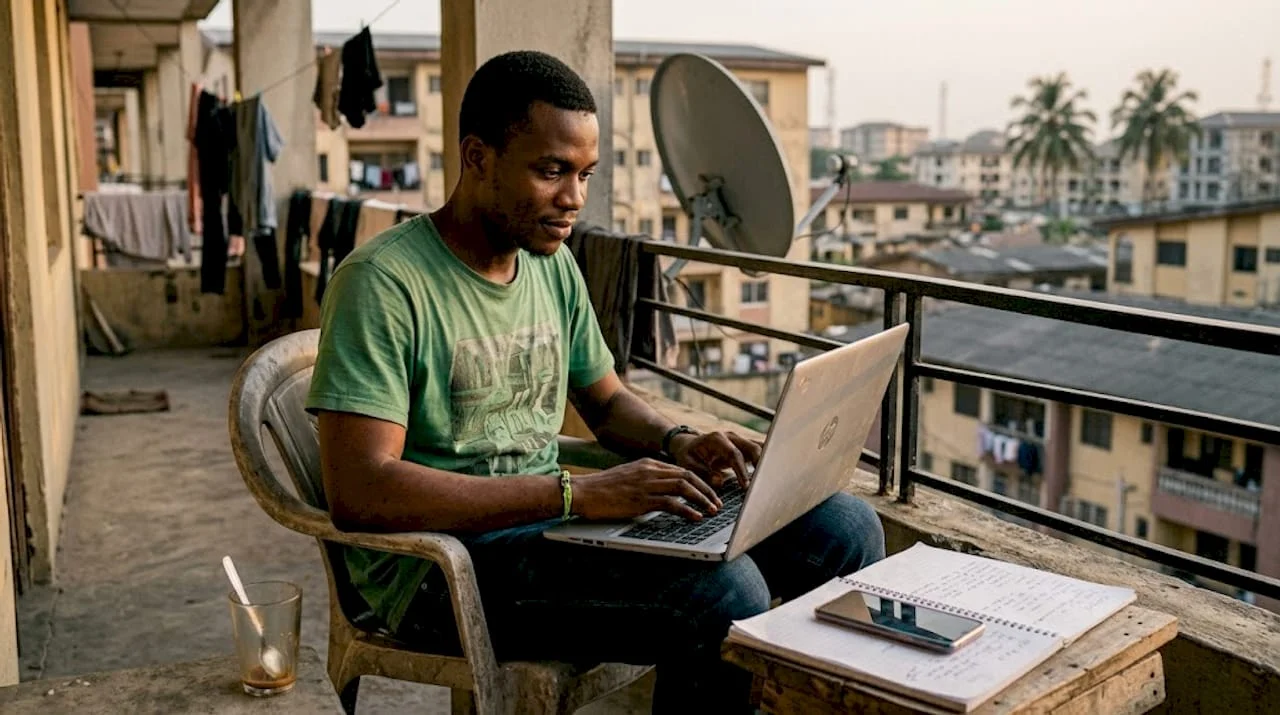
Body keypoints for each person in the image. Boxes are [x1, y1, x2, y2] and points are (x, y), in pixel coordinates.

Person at [306, 49, 885, 713]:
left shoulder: (548, 264)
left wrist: (678, 440)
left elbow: (607, 402)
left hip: (550, 523)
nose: (573, 200)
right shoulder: (383, 283)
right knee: (726, 594)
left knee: (846, 527)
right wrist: (578, 494)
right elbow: (361, 489)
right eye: (551, 171)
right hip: (443, 564)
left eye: (584, 174)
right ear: (477, 157)